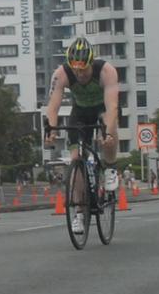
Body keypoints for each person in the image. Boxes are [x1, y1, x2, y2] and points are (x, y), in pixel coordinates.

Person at [43, 37, 121, 234]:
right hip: (79, 114)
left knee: (109, 134)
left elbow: (112, 106)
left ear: (91, 63)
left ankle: (110, 168)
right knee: (76, 158)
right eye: (75, 70)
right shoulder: (61, 74)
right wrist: (51, 130)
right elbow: (53, 106)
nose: (79, 74)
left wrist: (108, 133)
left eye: (83, 69)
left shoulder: (106, 71)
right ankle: (79, 212)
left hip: (102, 109)